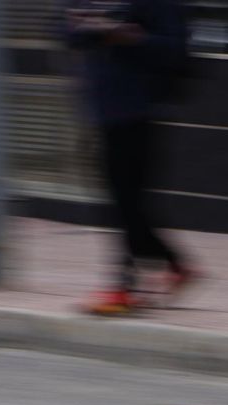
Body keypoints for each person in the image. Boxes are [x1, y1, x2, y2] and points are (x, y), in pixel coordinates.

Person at [62, 0, 196, 317]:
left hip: (141, 109)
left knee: (126, 201)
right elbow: (64, 32)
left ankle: (124, 285)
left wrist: (130, 37)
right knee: (123, 202)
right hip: (102, 108)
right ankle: (176, 266)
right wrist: (83, 27)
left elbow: (176, 50)